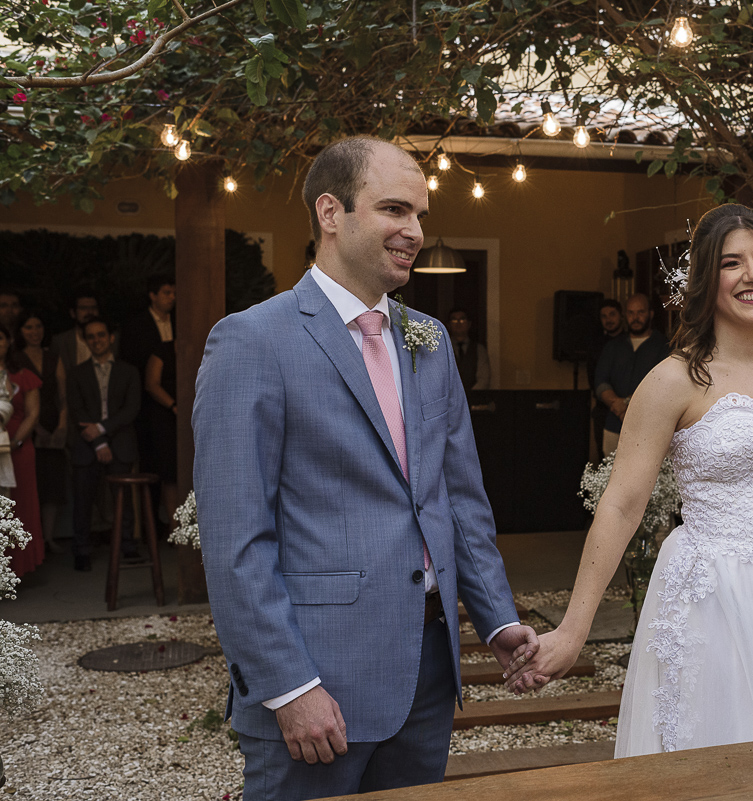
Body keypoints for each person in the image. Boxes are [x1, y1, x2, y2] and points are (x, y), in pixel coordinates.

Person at [193, 135, 538, 801]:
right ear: (330, 212)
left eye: (420, 216)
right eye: (394, 210)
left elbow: (457, 497)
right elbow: (236, 538)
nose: (414, 232)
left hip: (427, 675)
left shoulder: (428, 339)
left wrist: (496, 618)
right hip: (319, 681)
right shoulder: (253, 340)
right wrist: (289, 685)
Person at [504, 204, 753, 757]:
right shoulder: (673, 380)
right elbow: (621, 504)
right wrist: (573, 633)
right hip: (713, 598)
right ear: (704, 280)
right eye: (732, 263)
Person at [65, 318, 140, 572]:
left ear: (110, 337)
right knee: (83, 500)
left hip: (120, 441)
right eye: (91, 336)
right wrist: (98, 442)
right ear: (86, 341)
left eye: (100, 335)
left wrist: (102, 429)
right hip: (86, 444)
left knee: (124, 499)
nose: (96, 340)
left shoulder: (129, 371)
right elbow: (77, 410)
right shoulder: (76, 373)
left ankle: (128, 545)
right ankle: (81, 549)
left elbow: (131, 409)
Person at [121, 273, 176, 533]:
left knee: (176, 468)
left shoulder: (180, 320)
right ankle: (151, 525)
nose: (171, 297)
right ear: (152, 295)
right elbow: (133, 366)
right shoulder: (136, 325)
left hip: (179, 399)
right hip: (149, 406)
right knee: (153, 465)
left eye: (173, 292)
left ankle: (174, 524)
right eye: (166, 292)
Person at [593, 293, 671, 456]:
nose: (635, 318)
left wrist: (627, 403)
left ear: (650, 314)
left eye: (640, 312)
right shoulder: (613, 346)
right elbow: (600, 382)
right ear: (625, 315)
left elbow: (662, 387)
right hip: (613, 425)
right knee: (609, 476)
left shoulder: (665, 347)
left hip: (649, 429)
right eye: (630, 313)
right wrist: (619, 408)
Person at [16, 312, 68, 555]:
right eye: (28, 327)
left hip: (52, 420)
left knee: (53, 485)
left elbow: (63, 394)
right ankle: (30, 542)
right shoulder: (15, 359)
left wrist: (62, 424)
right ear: (21, 331)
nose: (34, 332)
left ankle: (48, 539)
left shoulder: (52, 356)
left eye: (38, 326)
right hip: (25, 424)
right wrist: (34, 427)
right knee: (30, 485)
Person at [0, 324, 43, 578]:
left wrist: (14, 442)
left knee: (19, 507)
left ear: (8, 342)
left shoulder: (23, 374)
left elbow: (33, 413)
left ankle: (16, 569)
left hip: (18, 448)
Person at [143, 340, 178, 530]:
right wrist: (174, 406)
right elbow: (151, 384)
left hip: (197, 413)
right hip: (167, 416)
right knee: (170, 472)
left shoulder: (204, 345)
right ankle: (176, 529)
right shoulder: (163, 349)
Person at [587, 299, 624, 459]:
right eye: (604, 316)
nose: (608, 320)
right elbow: (593, 379)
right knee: (606, 458)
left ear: (621, 316)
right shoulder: (595, 345)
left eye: (612, 314)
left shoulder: (629, 342)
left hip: (629, 405)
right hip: (603, 408)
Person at [52, 291, 104, 367]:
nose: (90, 312)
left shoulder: (112, 339)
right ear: (73, 313)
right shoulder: (60, 342)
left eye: (93, 308)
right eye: (84, 308)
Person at [446, 308, 490, 390]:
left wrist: (469, 396)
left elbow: (484, 379)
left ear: (469, 324)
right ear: (448, 325)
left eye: (462, 320)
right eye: (454, 320)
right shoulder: (444, 348)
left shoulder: (479, 349)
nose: (458, 323)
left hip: (474, 398)